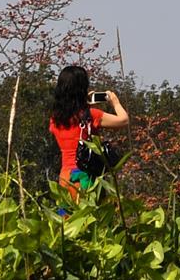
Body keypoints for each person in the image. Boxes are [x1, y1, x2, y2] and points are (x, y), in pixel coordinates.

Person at [49, 66, 129, 198]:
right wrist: (115, 102)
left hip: (65, 177)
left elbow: (72, 122)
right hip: (85, 176)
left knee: (68, 216)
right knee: (92, 216)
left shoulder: (55, 119)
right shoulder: (92, 115)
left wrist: (83, 104)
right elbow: (123, 120)